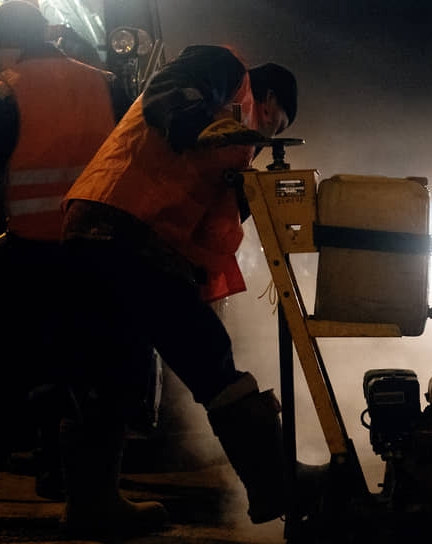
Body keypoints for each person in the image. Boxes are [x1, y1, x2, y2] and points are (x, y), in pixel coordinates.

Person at [60, 44, 300, 532]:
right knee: (209, 357)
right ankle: (281, 486)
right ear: (268, 97)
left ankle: (92, 506)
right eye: (276, 123)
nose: (267, 136)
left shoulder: (230, 134)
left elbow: (211, 213)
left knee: (112, 375)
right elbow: (169, 92)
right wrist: (197, 125)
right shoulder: (226, 70)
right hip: (129, 229)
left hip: (105, 229)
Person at [0, 0, 165, 531]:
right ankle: (95, 481)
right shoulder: (107, 83)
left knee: (47, 362)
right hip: (102, 243)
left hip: (35, 248)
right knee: (99, 362)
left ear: (12, 43)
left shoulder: (5, 91)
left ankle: (56, 467)